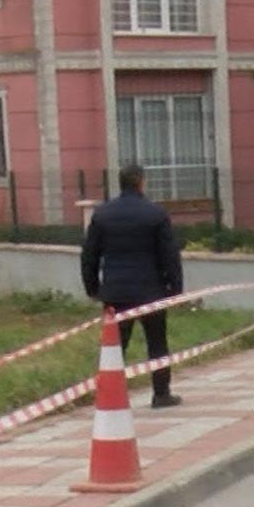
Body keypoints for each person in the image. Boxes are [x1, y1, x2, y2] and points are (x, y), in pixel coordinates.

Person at [81, 164, 184, 408]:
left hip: (116, 291)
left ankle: (107, 396)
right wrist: (175, 288)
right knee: (157, 343)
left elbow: (89, 255)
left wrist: (92, 286)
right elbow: (170, 255)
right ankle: (161, 394)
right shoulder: (155, 214)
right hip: (151, 289)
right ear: (141, 182)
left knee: (114, 347)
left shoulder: (103, 215)